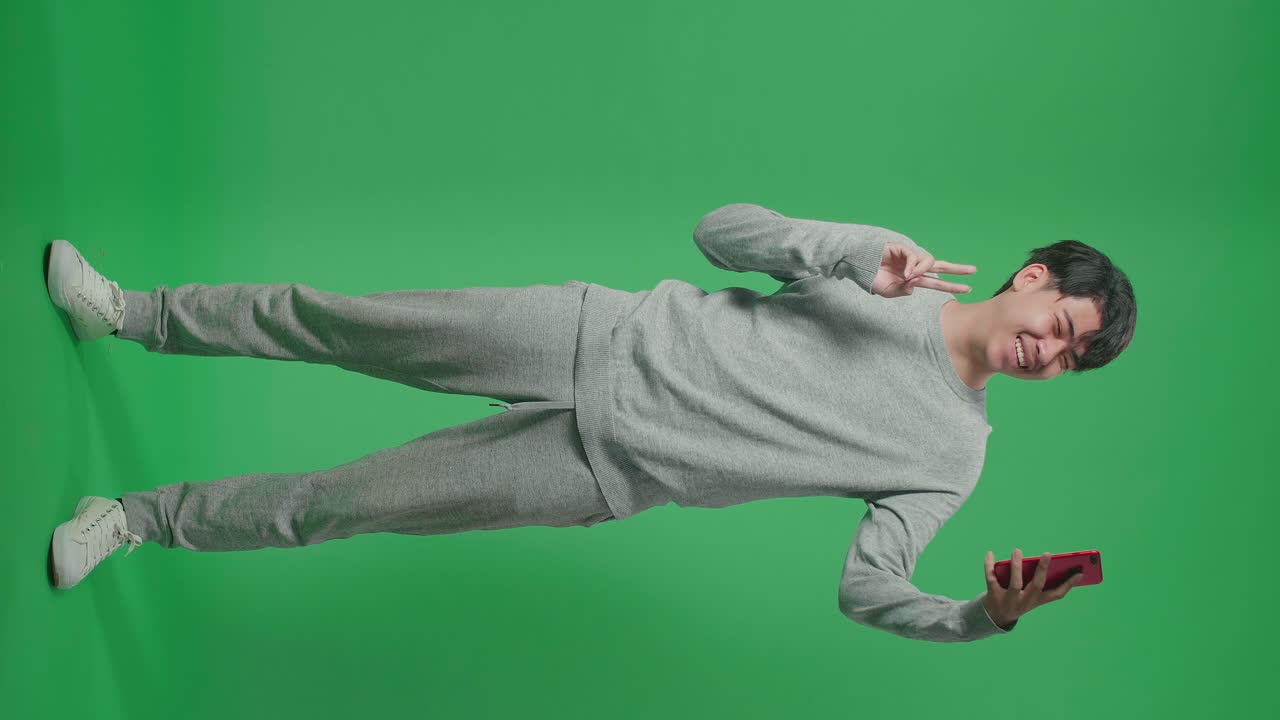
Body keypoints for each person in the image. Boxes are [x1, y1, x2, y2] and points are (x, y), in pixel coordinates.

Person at [45, 202, 1136, 643]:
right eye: (1060, 323)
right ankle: (130, 313)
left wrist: (977, 617)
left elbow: (864, 589)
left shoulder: (951, 456)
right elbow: (719, 232)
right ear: (1032, 279)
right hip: (589, 337)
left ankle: (137, 520)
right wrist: (848, 249)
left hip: (594, 472)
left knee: (340, 507)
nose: (1050, 352)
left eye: (1071, 358)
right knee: (337, 324)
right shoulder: (885, 272)